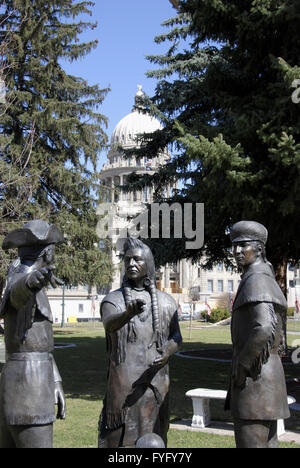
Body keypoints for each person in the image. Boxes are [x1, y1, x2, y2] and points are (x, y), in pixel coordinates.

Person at [98, 237, 182, 448]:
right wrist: (127, 313)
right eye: (127, 260)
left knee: (153, 440)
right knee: (119, 441)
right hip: (123, 388)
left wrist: (168, 351)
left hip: (155, 387)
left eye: (137, 260)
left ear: (149, 265)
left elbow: (176, 336)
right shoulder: (113, 300)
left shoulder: (166, 302)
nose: (131, 264)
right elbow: (109, 324)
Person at [0, 220, 66, 448]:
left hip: (31, 386)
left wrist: (55, 380)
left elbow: (39, 346)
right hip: (30, 395)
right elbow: (18, 295)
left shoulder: (18, 279)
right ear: (47, 253)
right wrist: (31, 283)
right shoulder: (19, 280)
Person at [225, 220, 290, 448]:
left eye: (243, 245)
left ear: (259, 248)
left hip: (255, 380)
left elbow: (263, 327)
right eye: (234, 246)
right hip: (267, 378)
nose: (236, 252)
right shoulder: (265, 277)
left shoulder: (257, 280)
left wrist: (242, 365)